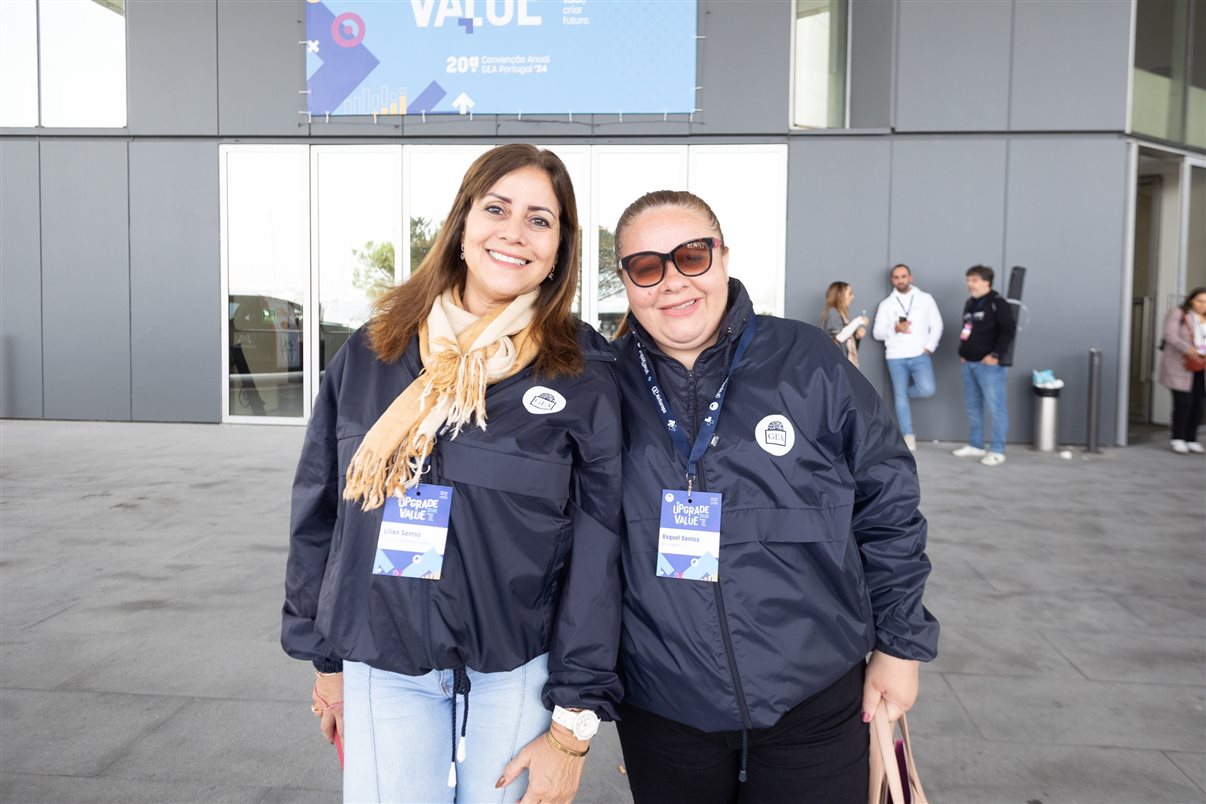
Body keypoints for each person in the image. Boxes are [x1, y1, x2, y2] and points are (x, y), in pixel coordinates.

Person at [281, 144, 623, 804]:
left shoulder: (583, 371)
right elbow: (319, 509)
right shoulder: (373, 350)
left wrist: (573, 722)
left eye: (540, 220)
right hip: (382, 658)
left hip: (518, 669)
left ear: (560, 249)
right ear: (462, 224)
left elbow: (600, 547)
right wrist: (326, 659)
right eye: (497, 208)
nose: (514, 233)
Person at [608, 190, 939, 804]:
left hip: (812, 700)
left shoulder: (808, 361)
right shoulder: (602, 383)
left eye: (692, 256)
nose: (673, 282)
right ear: (626, 281)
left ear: (724, 257)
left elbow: (888, 506)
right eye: (648, 267)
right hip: (663, 707)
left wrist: (900, 646)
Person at [872, 264, 943, 451]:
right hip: (895, 356)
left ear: (910, 277)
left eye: (903, 276)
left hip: (919, 354)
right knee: (900, 396)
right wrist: (894, 328)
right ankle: (908, 435)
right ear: (892, 280)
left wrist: (929, 346)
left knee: (927, 389)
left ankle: (901, 398)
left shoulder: (925, 299)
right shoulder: (886, 304)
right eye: (896, 277)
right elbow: (877, 333)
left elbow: (937, 324)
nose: (900, 280)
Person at [952, 265, 1016, 467]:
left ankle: (997, 450)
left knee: (996, 408)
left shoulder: (998, 303)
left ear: (986, 282)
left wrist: (995, 354)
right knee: (973, 407)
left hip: (988, 366)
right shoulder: (970, 303)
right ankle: (976, 444)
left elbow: (1009, 330)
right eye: (968, 280)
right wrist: (963, 352)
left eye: (974, 280)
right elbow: (967, 329)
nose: (969, 284)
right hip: (969, 364)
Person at [1158, 287, 1206, 454]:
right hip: (1180, 365)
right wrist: (1188, 349)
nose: (1203, 305)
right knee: (1183, 403)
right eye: (1199, 301)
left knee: (1198, 405)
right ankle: (1178, 438)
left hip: (1201, 366)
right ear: (1191, 300)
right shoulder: (1178, 314)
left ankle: (1191, 439)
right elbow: (1170, 335)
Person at [820, 281, 867, 368]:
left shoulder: (842, 315)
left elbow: (845, 339)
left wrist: (856, 336)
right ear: (840, 295)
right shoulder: (833, 312)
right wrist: (859, 321)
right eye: (850, 293)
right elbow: (839, 337)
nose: (852, 296)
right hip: (837, 364)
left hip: (843, 363)